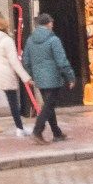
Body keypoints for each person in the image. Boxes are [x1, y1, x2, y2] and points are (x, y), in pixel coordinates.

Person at [23, 12, 76, 144]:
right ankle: (37, 131)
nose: (53, 25)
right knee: (48, 106)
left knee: (48, 105)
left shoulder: (30, 40)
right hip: (53, 79)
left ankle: (57, 133)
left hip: (40, 79)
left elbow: (26, 61)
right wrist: (70, 77)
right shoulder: (53, 40)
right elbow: (62, 61)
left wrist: (33, 74)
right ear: (48, 23)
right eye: (51, 22)